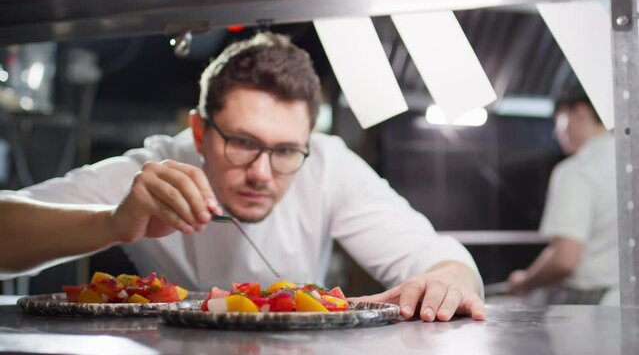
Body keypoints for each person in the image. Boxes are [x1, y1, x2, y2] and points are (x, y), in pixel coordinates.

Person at [0, 32, 485, 321]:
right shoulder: (156, 172)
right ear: (199, 131)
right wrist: (111, 222)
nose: (261, 172)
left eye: (285, 150)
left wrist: (449, 280)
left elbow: (440, 258)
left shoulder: (328, 163)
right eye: (243, 143)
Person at [506, 95, 618, 305]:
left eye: (560, 121)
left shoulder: (576, 170)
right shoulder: (628, 160)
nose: (557, 132)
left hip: (590, 304)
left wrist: (525, 282)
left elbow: (565, 260)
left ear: (581, 112)